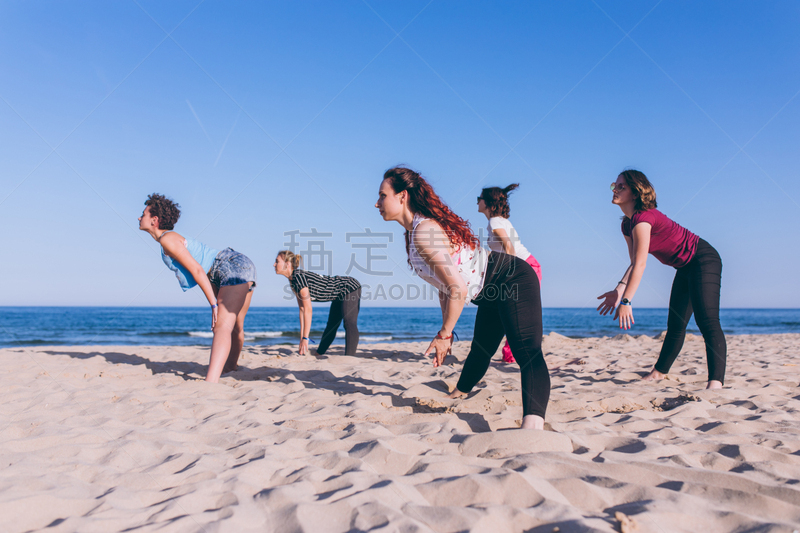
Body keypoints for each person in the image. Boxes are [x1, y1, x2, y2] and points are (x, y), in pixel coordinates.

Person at [376, 167, 549, 430]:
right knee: (481, 349)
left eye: (382, 195)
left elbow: (457, 288)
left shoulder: (424, 232)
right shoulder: (413, 234)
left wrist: (445, 333)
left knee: (527, 351)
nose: (377, 203)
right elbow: (445, 287)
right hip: (490, 289)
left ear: (402, 196)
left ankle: (533, 427)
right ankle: (459, 393)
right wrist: (446, 329)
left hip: (513, 278)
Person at [597, 170, 726, 389]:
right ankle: (658, 373)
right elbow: (635, 262)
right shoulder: (627, 225)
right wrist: (619, 290)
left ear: (636, 193)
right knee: (675, 324)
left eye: (621, 187)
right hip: (684, 267)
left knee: (707, 321)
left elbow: (641, 265)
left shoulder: (643, 219)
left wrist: (627, 300)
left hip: (704, 260)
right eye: (614, 186)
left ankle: (716, 383)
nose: (615, 190)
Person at [138, 193, 257, 383]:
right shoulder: (168, 239)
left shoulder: (167, 239)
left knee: (221, 326)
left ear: (154, 220)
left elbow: (197, 270)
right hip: (234, 266)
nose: (139, 217)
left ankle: (211, 382)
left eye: (143, 214)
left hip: (227, 266)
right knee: (235, 326)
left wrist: (213, 305)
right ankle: (230, 368)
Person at [478, 183, 542, 363]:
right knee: (513, 313)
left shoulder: (495, 221)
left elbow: (509, 247)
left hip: (525, 268)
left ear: (488, 202)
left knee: (515, 314)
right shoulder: (498, 221)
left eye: (479, 198)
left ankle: (512, 355)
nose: (477, 202)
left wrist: (509, 273)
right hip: (529, 266)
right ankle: (510, 355)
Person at [274, 251, 361, 356]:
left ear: (287, 264)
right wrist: (302, 339)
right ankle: (319, 353)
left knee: (349, 322)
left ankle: (349, 358)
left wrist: (306, 338)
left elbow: (308, 309)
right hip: (337, 294)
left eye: (277, 261)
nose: (274, 264)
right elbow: (302, 309)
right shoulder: (293, 280)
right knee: (331, 325)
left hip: (349, 286)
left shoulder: (298, 277)